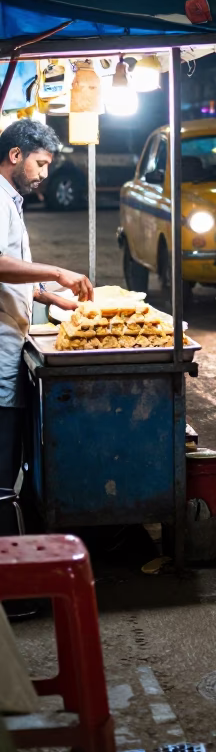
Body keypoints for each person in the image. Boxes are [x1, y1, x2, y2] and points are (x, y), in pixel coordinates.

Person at [0, 120, 93, 540]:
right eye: (40, 163)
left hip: (11, 344)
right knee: (2, 481)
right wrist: (57, 271)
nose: (45, 174)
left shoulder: (11, 200)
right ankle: (11, 589)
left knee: (11, 468)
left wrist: (50, 296)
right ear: (16, 155)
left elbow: (12, 271)